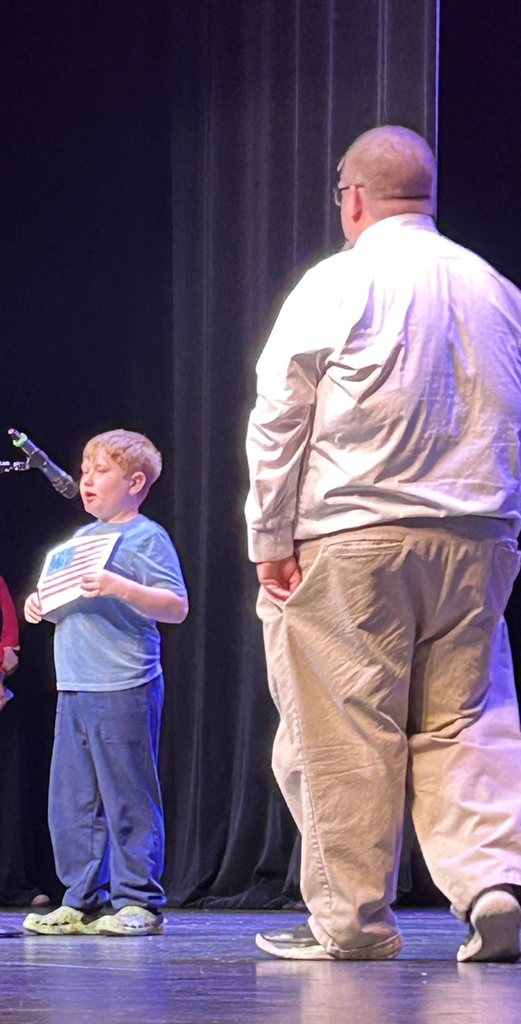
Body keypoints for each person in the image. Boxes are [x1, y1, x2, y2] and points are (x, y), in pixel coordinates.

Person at [245, 125, 521, 962]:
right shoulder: (492, 286)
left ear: (352, 197)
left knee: (343, 731)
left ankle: (353, 924)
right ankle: (492, 886)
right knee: (464, 720)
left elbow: (279, 414)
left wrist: (270, 534)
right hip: (477, 533)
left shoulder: (338, 280)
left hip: (354, 530)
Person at [22, 428, 188, 936]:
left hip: (123, 682)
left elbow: (176, 607)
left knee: (127, 794)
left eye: (100, 471)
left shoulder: (145, 536)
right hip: (74, 685)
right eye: (85, 470)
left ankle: (138, 899)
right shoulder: (78, 541)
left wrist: (120, 585)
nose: (86, 480)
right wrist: (39, 606)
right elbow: (66, 603)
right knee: (72, 799)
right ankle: (82, 898)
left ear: (135, 481)